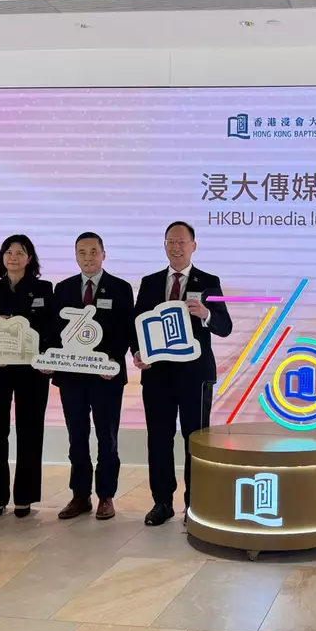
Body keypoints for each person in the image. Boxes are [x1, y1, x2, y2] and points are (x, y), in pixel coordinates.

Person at [134, 221, 232, 527]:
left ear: (193, 246)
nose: (176, 248)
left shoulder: (209, 282)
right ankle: (162, 502)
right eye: (170, 242)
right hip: (158, 376)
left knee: (196, 439)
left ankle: (195, 504)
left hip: (195, 377)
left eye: (182, 242)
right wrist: (137, 352)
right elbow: (136, 324)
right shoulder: (150, 282)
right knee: (159, 439)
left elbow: (225, 327)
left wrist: (205, 313)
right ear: (164, 245)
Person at [52, 232, 135, 521]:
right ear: (76, 256)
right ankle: (80, 495)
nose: (88, 257)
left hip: (106, 377)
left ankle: (106, 496)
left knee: (106, 438)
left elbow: (126, 330)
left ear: (103, 254)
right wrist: (49, 358)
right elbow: (54, 330)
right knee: (76, 436)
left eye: (93, 251)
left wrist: (111, 360)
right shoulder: (63, 288)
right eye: (82, 252)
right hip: (72, 377)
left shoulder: (121, 288)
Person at [0, 235, 54, 519]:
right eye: (8, 252)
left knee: (30, 431)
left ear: (29, 258)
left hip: (31, 370)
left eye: (20, 252)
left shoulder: (43, 288)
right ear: (2, 257)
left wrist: (20, 326)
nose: (13, 257)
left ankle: (24, 497)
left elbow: (50, 327)